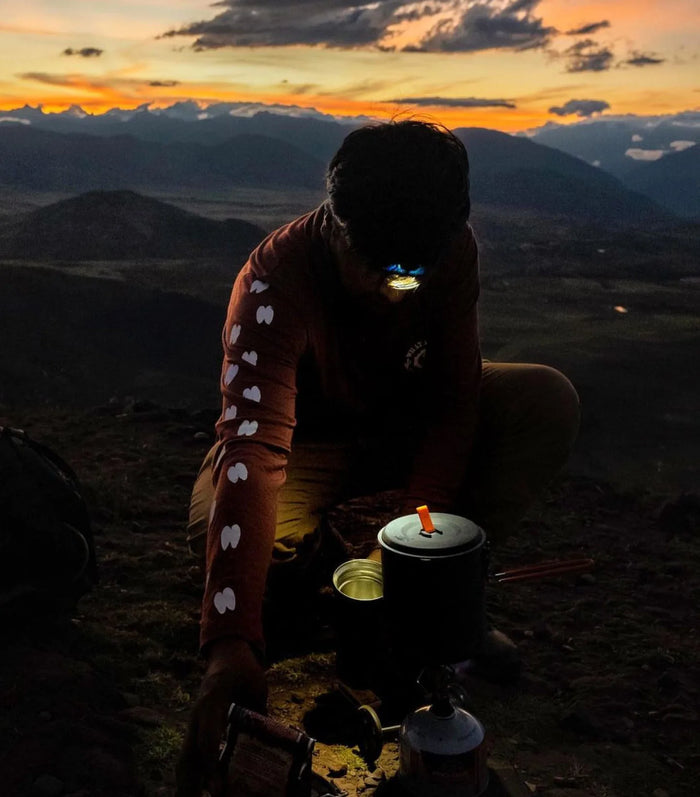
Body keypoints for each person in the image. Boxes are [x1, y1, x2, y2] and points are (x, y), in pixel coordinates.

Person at [175, 120, 580, 796]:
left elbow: (455, 405)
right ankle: (333, 598)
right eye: (378, 267)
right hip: (300, 445)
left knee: (544, 400)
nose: (396, 288)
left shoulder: (451, 255)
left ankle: (441, 606)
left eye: (413, 273)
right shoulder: (275, 283)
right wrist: (228, 642)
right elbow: (254, 444)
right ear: (335, 222)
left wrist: (416, 529)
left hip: (399, 433)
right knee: (235, 534)